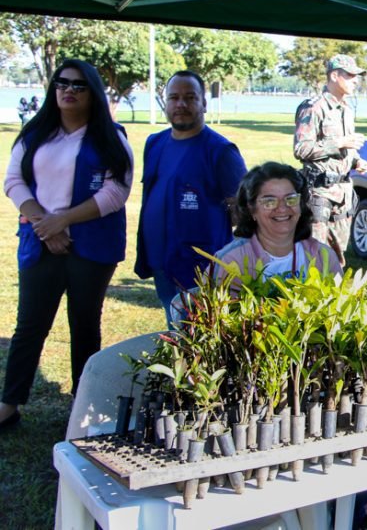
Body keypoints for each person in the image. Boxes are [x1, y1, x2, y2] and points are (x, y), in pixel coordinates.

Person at [0, 59, 134, 430]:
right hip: (41, 240)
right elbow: (14, 181)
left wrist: (65, 220)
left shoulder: (111, 138)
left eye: (78, 85)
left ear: (93, 93)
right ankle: (10, 403)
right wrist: (46, 223)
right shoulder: (35, 134)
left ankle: (84, 403)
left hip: (91, 246)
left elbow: (117, 191)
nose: (68, 90)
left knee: (84, 323)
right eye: (62, 83)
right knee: (30, 325)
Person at [134, 70, 247, 327]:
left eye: (190, 97)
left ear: (203, 103)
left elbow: (244, 211)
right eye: (173, 97)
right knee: (174, 331)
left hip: (200, 268)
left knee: (198, 338)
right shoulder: (155, 143)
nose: (181, 104)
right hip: (161, 262)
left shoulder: (220, 151)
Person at [294, 54, 367, 268]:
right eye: (351, 75)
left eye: (357, 76)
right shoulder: (313, 107)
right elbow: (301, 148)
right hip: (320, 193)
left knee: (338, 257)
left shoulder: (346, 109)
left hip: (343, 194)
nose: (356, 80)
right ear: (335, 76)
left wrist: (356, 161)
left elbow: (345, 150)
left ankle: (333, 297)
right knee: (314, 257)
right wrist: (339, 142)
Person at [212, 162, 342, 284]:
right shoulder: (231, 261)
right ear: (251, 209)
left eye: (290, 199)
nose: (282, 208)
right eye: (269, 201)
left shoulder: (324, 257)